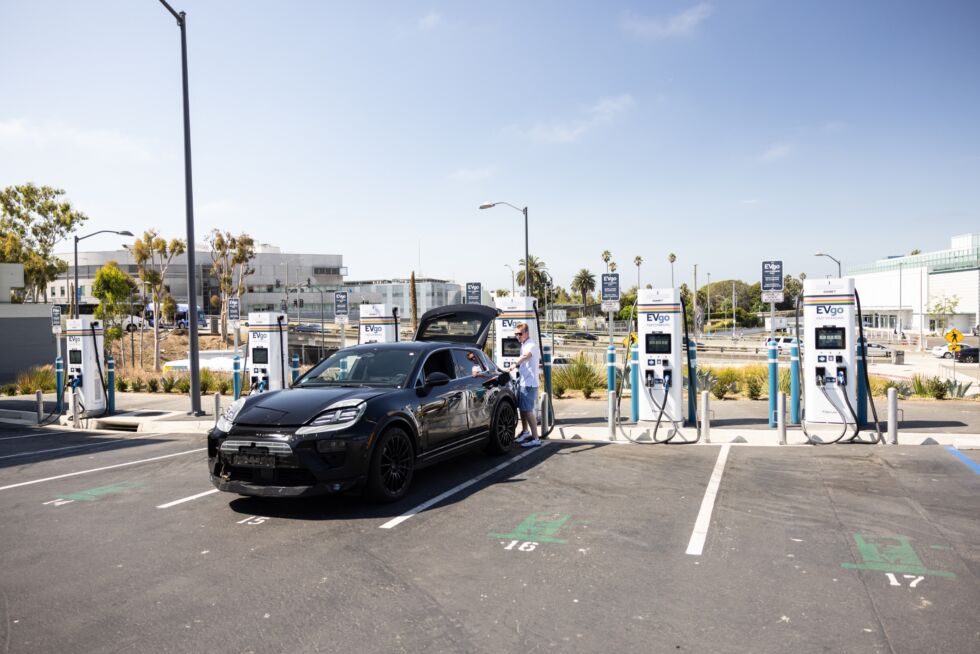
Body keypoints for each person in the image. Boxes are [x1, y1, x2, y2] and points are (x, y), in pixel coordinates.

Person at [505, 322, 542, 448]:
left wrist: (514, 364)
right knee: (522, 408)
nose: (517, 336)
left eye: (519, 334)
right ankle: (526, 432)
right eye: (516, 334)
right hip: (523, 381)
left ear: (526, 333)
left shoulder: (531, 345)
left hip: (529, 383)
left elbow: (526, 357)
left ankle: (536, 438)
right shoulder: (524, 344)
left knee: (528, 410)